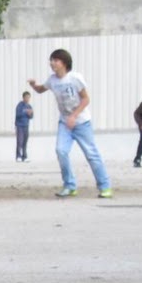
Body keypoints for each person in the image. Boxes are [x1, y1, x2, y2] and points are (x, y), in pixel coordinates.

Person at [29, 49, 112, 199]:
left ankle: (105, 186)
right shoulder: (52, 80)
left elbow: (86, 99)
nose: (52, 63)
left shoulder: (75, 78)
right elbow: (41, 89)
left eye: (55, 60)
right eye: (51, 60)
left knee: (91, 154)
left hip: (81, 122)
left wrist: (74, 116)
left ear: (64, 63)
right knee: (61, 151)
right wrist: (34, 85)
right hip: (65, 123)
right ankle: (69, 185)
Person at [14, 91, 34, 162]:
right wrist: (25, 112)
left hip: (26, 125)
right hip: (20, 126)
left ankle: (24, 156)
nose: (28, 99)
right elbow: (18, 114)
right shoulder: (20, 105)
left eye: (29, 97)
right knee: (20, 141)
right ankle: (18, 156)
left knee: (25, 141)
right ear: (23, 97)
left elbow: (31, 116)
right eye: (26, 97)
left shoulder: (29, 106)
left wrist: (30, 114)